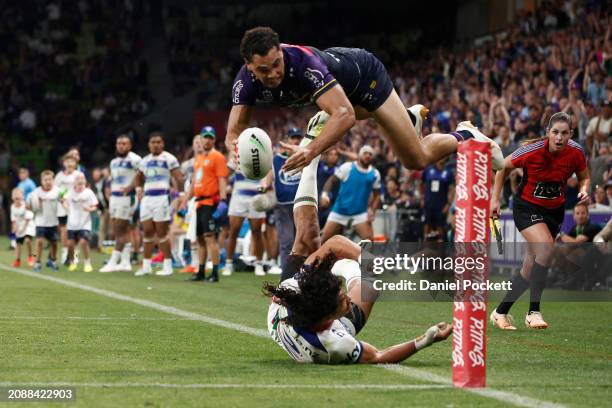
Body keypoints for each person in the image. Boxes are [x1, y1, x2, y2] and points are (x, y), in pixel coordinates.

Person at [264, 132, 452, 364]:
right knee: (371, 285)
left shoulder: (296, 289)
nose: (348, 298)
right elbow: (379, 356)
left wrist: (369, 258)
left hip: (292, 310)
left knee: (306, 237)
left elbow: (333, 244)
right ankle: (363, 266)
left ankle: (310, 157)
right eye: (342, 298)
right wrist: (426, 339)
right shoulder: (336, 344)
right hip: (299, 323)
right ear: (329, 317)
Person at [225, 26, 503, 177]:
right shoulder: (244, 82)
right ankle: (408, 119)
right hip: (340, 94)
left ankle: (466, 133)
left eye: (277, 63)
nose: (274, 73)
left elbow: (344, 116)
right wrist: (236, 153)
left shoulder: (304, 64)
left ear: (280, 52)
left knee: (418, 159)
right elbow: (234, 132)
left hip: (366, 80)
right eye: (264, 70)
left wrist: (310, 151)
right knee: (409, 158)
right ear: (249, 67)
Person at [490, 112, 590, 330]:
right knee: (545, 249)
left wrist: (584, 190)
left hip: (554, 212)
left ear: (571, 134)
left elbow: (584, 177)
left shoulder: (576, 152)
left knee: (530, 266)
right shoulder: (531, 151)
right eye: (555, 132)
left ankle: (500, 312)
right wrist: (495, 199)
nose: (559, 137)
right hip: (526, 207)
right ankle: (533, 312)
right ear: (547, 133)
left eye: (564, 133)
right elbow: (502, 166)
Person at [130, 131, 184, 277]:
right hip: (147, 199)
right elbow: (138, 177)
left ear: (163, 144)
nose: (156, 145)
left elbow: (179, 178)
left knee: (162, 232)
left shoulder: (169, 158)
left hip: (161, 198)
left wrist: (180, 196)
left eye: (158, 142)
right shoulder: (144, 160)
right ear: (149, 144)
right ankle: (146, 266)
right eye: (153, 142)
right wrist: (138, 189)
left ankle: (168, 265)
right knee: (147, 232)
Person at [185, 127, 228, 282]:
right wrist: (185, 201)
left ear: (214, 140)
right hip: (199, 203)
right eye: (205, 137)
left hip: (211, 202)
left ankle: (215, 272)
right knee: (200, 239)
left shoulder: (218, 157)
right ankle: (201, 271)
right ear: (201, 139)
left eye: (210, 137)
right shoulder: (199, 158)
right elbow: (194, 182)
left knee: (210, 238)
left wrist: (222, 201)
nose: (208, 140)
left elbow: (222, 179)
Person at [319, 145, 381, 243]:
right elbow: (331, 180)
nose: (368, 155)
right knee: (323, 241)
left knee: (370, 243)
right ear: (359, 155)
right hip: (339, 212)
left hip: (360, 214)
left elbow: (377, 195)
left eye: (370, 154)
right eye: (365, 153)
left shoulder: (375, 174)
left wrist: (372, 210)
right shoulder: (347, 167)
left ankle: (365, 258)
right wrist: (324, 195)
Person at [100, 134, 142, 272]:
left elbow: (142, 174)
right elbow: (113, 179)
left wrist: (132, 186)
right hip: (115, 198)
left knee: (120, 229)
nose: (121, 146)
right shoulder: (114, 162)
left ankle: (113, 261)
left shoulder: (135, 159)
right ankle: (125, 262)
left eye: (124, 143)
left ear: (130, 145)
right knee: (117, 230)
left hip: (127, 198)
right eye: (119, 143)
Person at [271, 127, 303, 272]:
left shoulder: (304, 157)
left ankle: (299, 272)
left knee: (302, 241)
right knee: (287, 241)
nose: (296, 141)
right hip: (282, 205)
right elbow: (269, 176)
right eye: (293, 138)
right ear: (287, 141)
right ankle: (286, 274)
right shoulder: (277, 160)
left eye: (298, 138)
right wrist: (264, 186)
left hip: (301, 205)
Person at [63, 173, 98, 272]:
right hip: (72, 223)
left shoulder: (88, 192)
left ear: (85, 181)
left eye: (82, 178)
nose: (80, 180)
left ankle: (87, 263)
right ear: (74, 181)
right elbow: (64, 201)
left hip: (85, 223)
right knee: (71, 244)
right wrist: (66, 206)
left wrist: (89, 209)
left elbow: (95, 206)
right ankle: (74, 262)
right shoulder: (70, 192)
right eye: (78, 178)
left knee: (83, 242)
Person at [28, 170, 60, 272]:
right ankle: (37, 262)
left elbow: (64, 202)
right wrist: (35, 205)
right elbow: (29, 206)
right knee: (40, 242)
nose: (48, 181)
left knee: (54, 243)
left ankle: (53, 261)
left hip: (53, 222)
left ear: (53, 180)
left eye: (50, 179)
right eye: (45, 180)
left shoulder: (57, 191)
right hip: (40, 221)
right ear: (42, 181)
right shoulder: (36, 193)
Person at [55, 154, 83, 265]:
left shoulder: (79, 175)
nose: (70, 164)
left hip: (77, 207)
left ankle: (75, 255)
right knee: (64, 230)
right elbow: (56, 191)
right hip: (62, 207)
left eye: (72, 161)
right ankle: (65, 254)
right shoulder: (59, 176)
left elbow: (83, 189)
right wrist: (62, 200)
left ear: (75, 163)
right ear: (64, 163)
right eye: (67, 161)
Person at [421, 158, 455, 239]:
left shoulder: (448, 173)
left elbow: (452, 190)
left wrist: (448, 204)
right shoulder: (428, 170)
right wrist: (422, 197)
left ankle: (441, 248)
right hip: (428, 203)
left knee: (440, 226)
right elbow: (421, 183)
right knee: (427, 225)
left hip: (441, 205)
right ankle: (425, 245)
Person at [10, 188, 35, 267]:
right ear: (13, 198)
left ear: (22, 198)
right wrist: (14, 229)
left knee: (27, 240)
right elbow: (13, 220)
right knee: (18, 243)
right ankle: (17, 260)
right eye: (16, 198)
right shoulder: (12, 207)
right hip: (19, 227)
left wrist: (23, 229)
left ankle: (30, 256)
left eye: (19, 198)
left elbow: (27, 219)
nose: (17, 200)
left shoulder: (25, 206)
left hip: (28, 226)